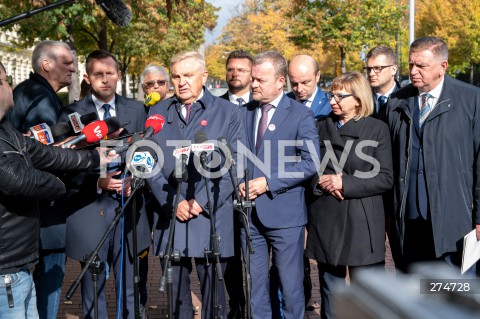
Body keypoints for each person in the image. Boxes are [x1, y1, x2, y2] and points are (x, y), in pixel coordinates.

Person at [0, 60, 110, 319]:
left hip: (20, 265)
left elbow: (44, 154)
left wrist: (94, 159)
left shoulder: (6, 128)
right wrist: (61, 186)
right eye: (5, 82)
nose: (11, 87)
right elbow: (17, 179)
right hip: (5, 270)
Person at [146, 51, 245, 319]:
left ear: (204, 76)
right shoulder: (157, 113)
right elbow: (148, 162)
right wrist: (172, 201)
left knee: (215, 299)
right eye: (176, 76)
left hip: (211, 216)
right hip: (172, 213)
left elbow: (235, 163)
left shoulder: (228, 112)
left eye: (188, 75)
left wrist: (200, 202)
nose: (181, 82)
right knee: (177, 299)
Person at [60, 50, 151, 318]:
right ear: (87, 77)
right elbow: (64, 162)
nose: (105, 80)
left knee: (129, 286)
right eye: (98, 74)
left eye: (110, 73)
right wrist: (98, 180)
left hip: (128, 210)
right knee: (94, 287)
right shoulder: (72, 114)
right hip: (90, 209)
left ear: (119, 75)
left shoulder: (136, 110)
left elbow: (147, 153)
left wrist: (134, 180)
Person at [387, 36, 480, 274]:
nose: (414, 71)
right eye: (411, 65)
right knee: (418, 295)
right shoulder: (397, 102)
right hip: (409, 220)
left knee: (455, 295)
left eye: (422, 66)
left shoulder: (471, 100)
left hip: (455, 219)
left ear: (443, 66)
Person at [306, 71, 393, 319]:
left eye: (339, 96)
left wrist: (345, 183)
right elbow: (306, 166)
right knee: (330, 290)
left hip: (362, 219)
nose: (332, 100)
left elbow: (385, 177)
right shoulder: (319, 126)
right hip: (326, 216)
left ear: (357, 99)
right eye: (331, 95)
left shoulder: (377, 129)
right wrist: (321, 182)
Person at [239, 51, 319, 318]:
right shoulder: (244, 113)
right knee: (255, 287)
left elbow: (310, 162)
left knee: (290, 287)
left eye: (260, 80)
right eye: (253, 79)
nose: (253, 84)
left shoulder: (299, 115)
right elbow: (235, 155)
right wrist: (239, 181)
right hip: (249, 216)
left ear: (280, 81)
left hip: (286, 216)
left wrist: (268, 183)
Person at [6, 40, 75, 319]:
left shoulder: (29, 91)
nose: (72, 67)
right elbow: (48, 154)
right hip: (44, 215)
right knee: (46, 286)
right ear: (46, 65)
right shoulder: (40, 98)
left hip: (26, 215)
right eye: (66, 62)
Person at [218, 49, 254, 319]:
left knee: (258, 252)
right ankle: (236, 304)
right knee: (229, 255)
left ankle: (259, 303)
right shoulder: (216, 106)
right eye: (231, 69)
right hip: (224, 194)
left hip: (259, 191)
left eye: (241, 69)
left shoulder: (264, 104)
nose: (235, 74)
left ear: (252, 73)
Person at [287, 54, 331, 119]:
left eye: (305, 83)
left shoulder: (330, 104)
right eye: (294, 84)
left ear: (317, 76)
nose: (299, 89)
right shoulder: (282, 102)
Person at [364, 46, 399, 120]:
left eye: (377, 68)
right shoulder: (361, 100)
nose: (371, 73)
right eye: (369, 69)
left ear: (393, 69)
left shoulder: (407, 100)